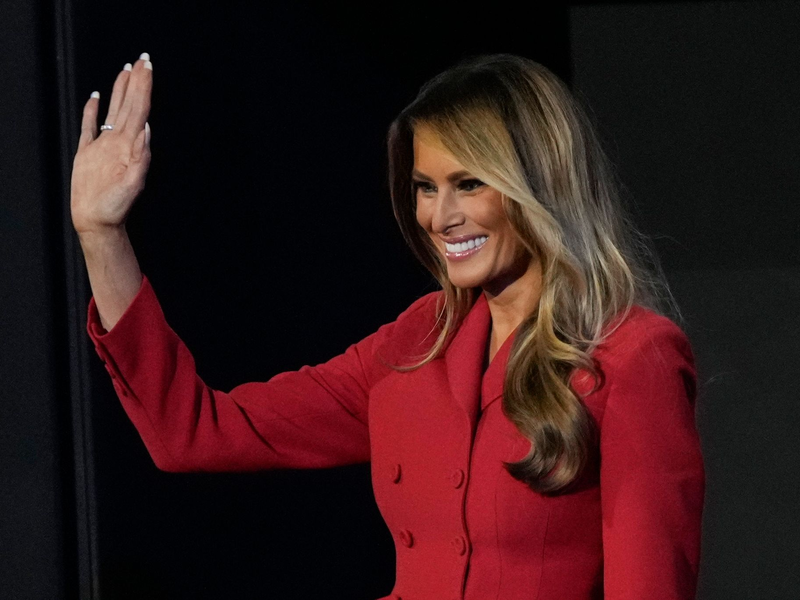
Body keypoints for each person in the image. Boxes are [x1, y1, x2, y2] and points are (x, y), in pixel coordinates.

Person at [71, 51, 705, 600]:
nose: (439, 215)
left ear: (538, 184)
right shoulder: (415, 344)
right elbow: (196, 433)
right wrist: (102, 235)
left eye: (468, 184)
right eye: (425, 187)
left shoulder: (631, 357)